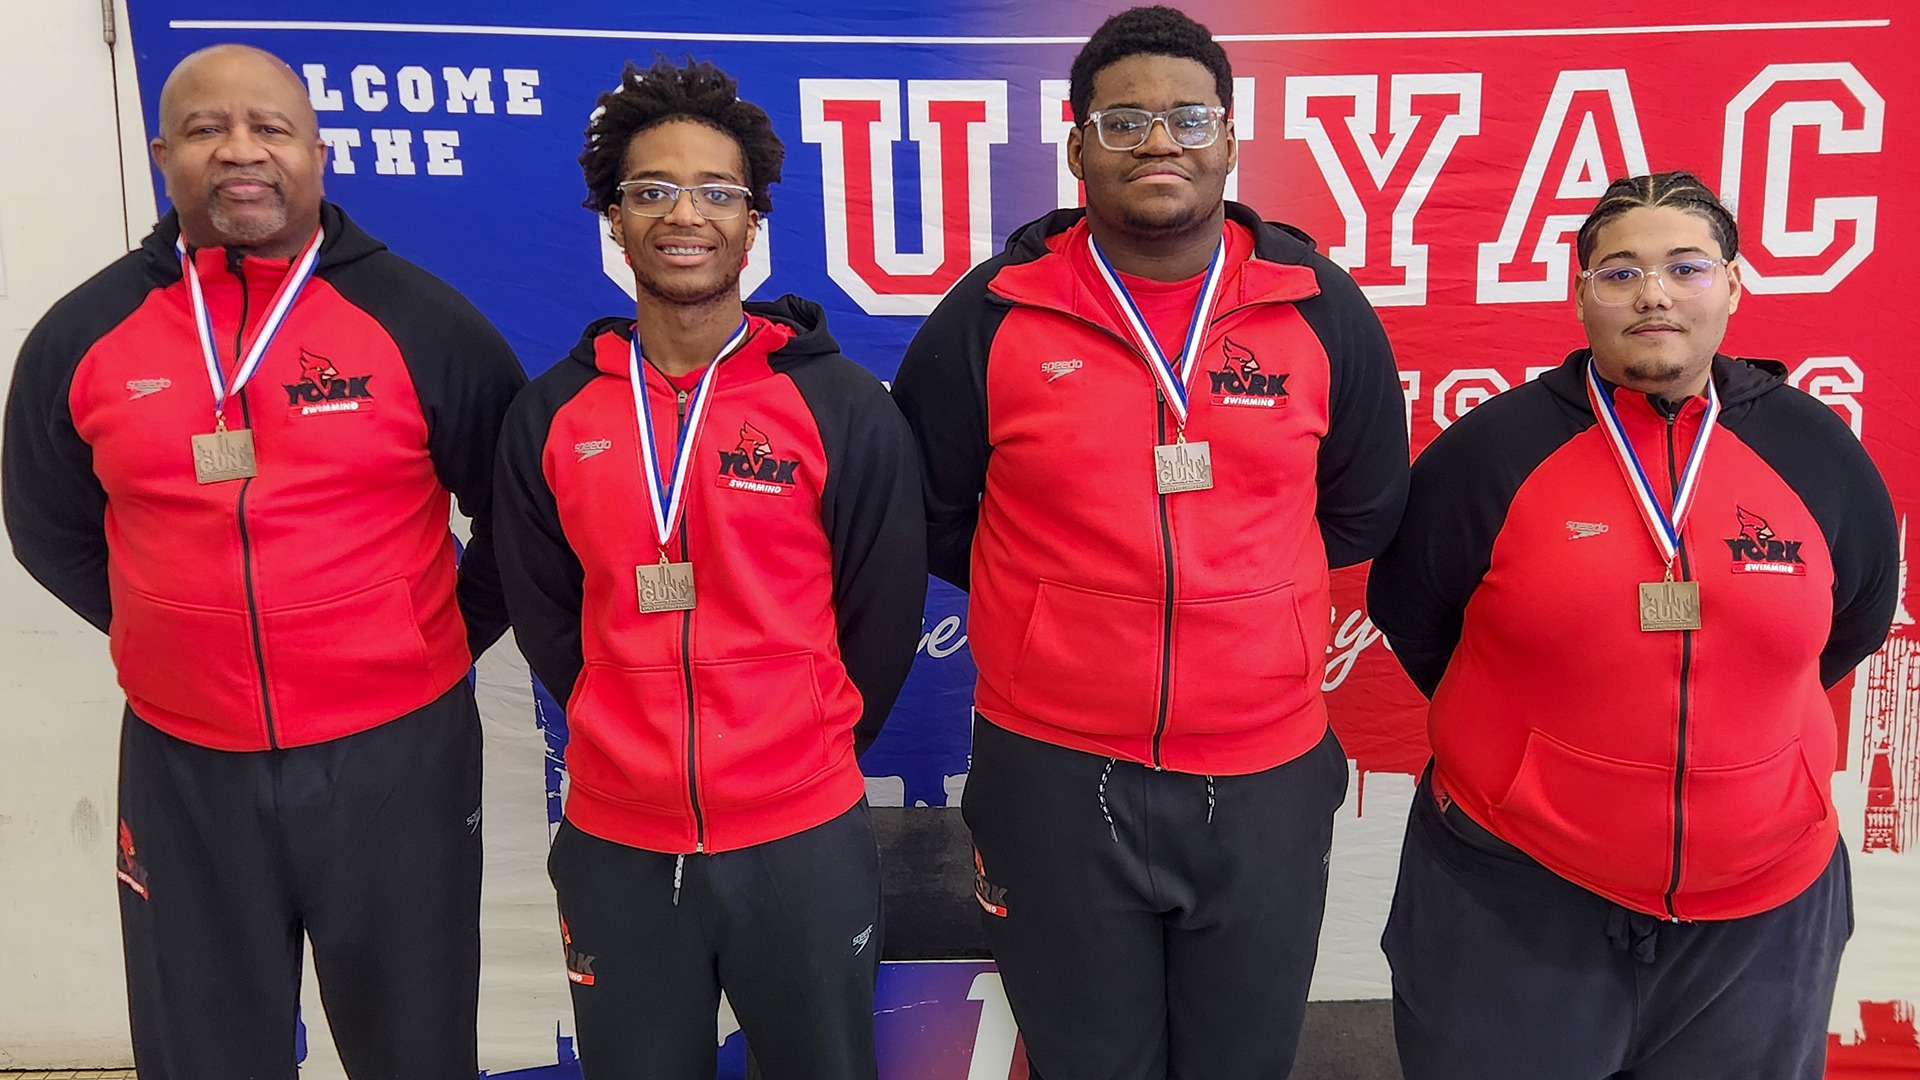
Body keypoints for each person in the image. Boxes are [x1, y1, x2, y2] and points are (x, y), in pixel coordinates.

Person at [890, 7, 1408, 1077]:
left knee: (1242, 1062)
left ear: (1229, 138)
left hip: (1264, 772)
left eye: (1187, 117)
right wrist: (1059, 612)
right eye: (1124, 122)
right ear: (1077, 146)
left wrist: (1239, 595)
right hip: (1054, 774)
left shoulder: (1320, 310)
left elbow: (1362, 506)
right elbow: (929, 515)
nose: (1160, 142)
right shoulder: (991, 316)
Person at [2, 44, 525, 1079]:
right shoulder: (85, 335)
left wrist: (428, 636)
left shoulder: (423, 323)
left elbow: (518, 519)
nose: (240, 152)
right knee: (203, 1054)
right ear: (164, 155)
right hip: (184, 763)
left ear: (317, 152)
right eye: (206, 130)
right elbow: (47, 524)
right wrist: (176, 632)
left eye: (270, 128)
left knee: (414, 1050)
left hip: (395, 756)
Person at [1367, 170, 1897, 1080]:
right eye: (1619, 272)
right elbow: (1418, 620)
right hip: (1515, 901)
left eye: (1685, 267)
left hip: (1761, 917)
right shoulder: (1490, 455)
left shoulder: (1816, 453)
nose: (1652, 292)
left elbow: (1849, 626)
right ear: (1581, 296)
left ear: (1732, 285)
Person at [492, 56, 925, 1080]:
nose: (685, 214)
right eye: (652, 189)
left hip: (803, 837)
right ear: (612, 217)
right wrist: (626, 711)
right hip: (617, 841)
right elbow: (551, 619)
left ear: (752, 220)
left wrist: (793, 738)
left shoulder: (842, 407)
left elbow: (882, 609)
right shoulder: (552, 416)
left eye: (715, 191)